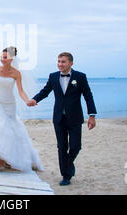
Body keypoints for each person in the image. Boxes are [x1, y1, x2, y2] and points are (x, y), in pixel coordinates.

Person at [27, 52, 96, 186]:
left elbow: (88, 95)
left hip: (75, 118)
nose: (60, 64)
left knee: (76, 146)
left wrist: (92, 115)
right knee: (62, 147)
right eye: (58, 61)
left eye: (63, 62)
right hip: (59, 118)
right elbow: (45, 91)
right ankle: (66, 175)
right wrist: (35, 99)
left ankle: (68, 164)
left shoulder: (80, 77)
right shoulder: (53, 77)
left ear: (71, 63)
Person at [0, 46, 44, 172]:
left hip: (10, 106)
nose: (2, 59)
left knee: (8, 133)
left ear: (11, 58)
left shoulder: (16, 73)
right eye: (1, 57)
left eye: (5, 57)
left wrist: (27, 100)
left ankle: (4, 160)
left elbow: (20, 91)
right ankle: (0, 160)